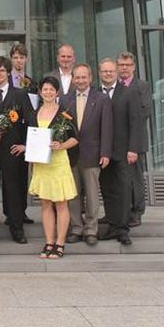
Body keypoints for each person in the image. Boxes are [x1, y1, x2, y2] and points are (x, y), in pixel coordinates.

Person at [0, 56, 35, 244]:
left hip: (13, 149)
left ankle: (17, 228)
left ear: (9, 72)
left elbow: (31, 121)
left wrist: (26, 145)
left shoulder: (19, 94)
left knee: (13, 189)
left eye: (2, 70)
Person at [60, 64, 112, 246]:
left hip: (93, 154)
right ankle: (76, 228)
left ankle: (91, 229)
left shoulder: (102, 99)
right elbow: (62, 129)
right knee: (73, 195)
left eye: (84, 77)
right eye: (77, 77)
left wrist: (105, 152)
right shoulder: (65, 100)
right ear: (73, 79)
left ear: (90, 78)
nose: (80, 81)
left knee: (91, 195)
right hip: (71, 155)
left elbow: (107, 128)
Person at [28, 76, 79, 259]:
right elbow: (32, 139)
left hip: (58, 163)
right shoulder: (34, 113)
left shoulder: (64, 113)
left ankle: (60, 243)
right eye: (45, 89)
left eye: (51, 89)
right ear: (40, 92)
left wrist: (62, 145)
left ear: (57, 92)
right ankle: (49, 241)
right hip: (42, 165)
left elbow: (75, 138)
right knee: (46, 204)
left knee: (61, 203)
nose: (48, 92)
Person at [98, 58, 142, 246]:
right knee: (108, 190)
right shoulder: (95, 93)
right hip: (103, 153)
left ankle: (123, 230)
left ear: (116, 72)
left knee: (124, 191)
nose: (108, 74)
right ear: (99, 73)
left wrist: (133, 149)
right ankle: (112, 225)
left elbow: (136, 122)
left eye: (111, 71)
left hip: (124, 152)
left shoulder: (129, 92)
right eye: (104, 71)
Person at [117, 51, 152, 228]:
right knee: (121, 179)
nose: (124, 68)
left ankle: (137, 212)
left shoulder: (142, 86)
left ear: (134, 67)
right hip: (118, 142)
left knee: (136, 178)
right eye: (121, 65)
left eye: (127, 65)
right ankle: (122, 211)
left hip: (135, 142)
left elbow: (145, 112)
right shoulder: (115, 86)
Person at [8, 43, 37, 225]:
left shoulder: (31, 82)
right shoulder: (6, 80)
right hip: (9, 132)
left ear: (26, 59)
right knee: (9, 176)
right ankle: (10, 212)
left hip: (25, 134)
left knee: (22, 175)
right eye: (16, 57)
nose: (19, 60)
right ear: (12, 59)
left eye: (22, 57)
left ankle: (22, 211)